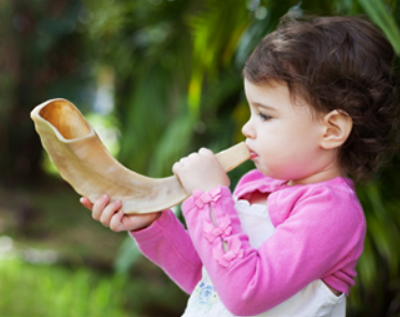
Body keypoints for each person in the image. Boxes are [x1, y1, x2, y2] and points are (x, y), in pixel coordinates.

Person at [80, 14, 399, 316]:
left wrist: (208, 197)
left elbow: (245, 293)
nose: (248, 128)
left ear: (331, 130)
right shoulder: (253, 185)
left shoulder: (332, 212)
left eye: (265, 115)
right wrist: (151, 222)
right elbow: (207, 277)